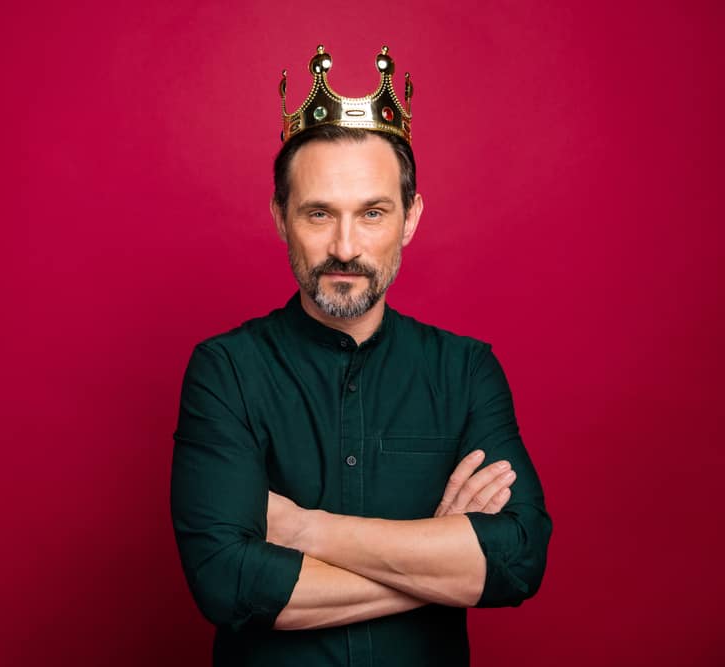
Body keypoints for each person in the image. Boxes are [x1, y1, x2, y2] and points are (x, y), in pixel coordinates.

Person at [170, 45, 551, 666]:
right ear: (280, 217)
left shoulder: (466, 371)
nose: (345, 247)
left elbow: (518, 559)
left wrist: (304, 530)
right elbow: (228, 584)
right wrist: (439, 562)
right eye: (319, 213)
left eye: (373, 213)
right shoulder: (226, 371)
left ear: (410, 219)